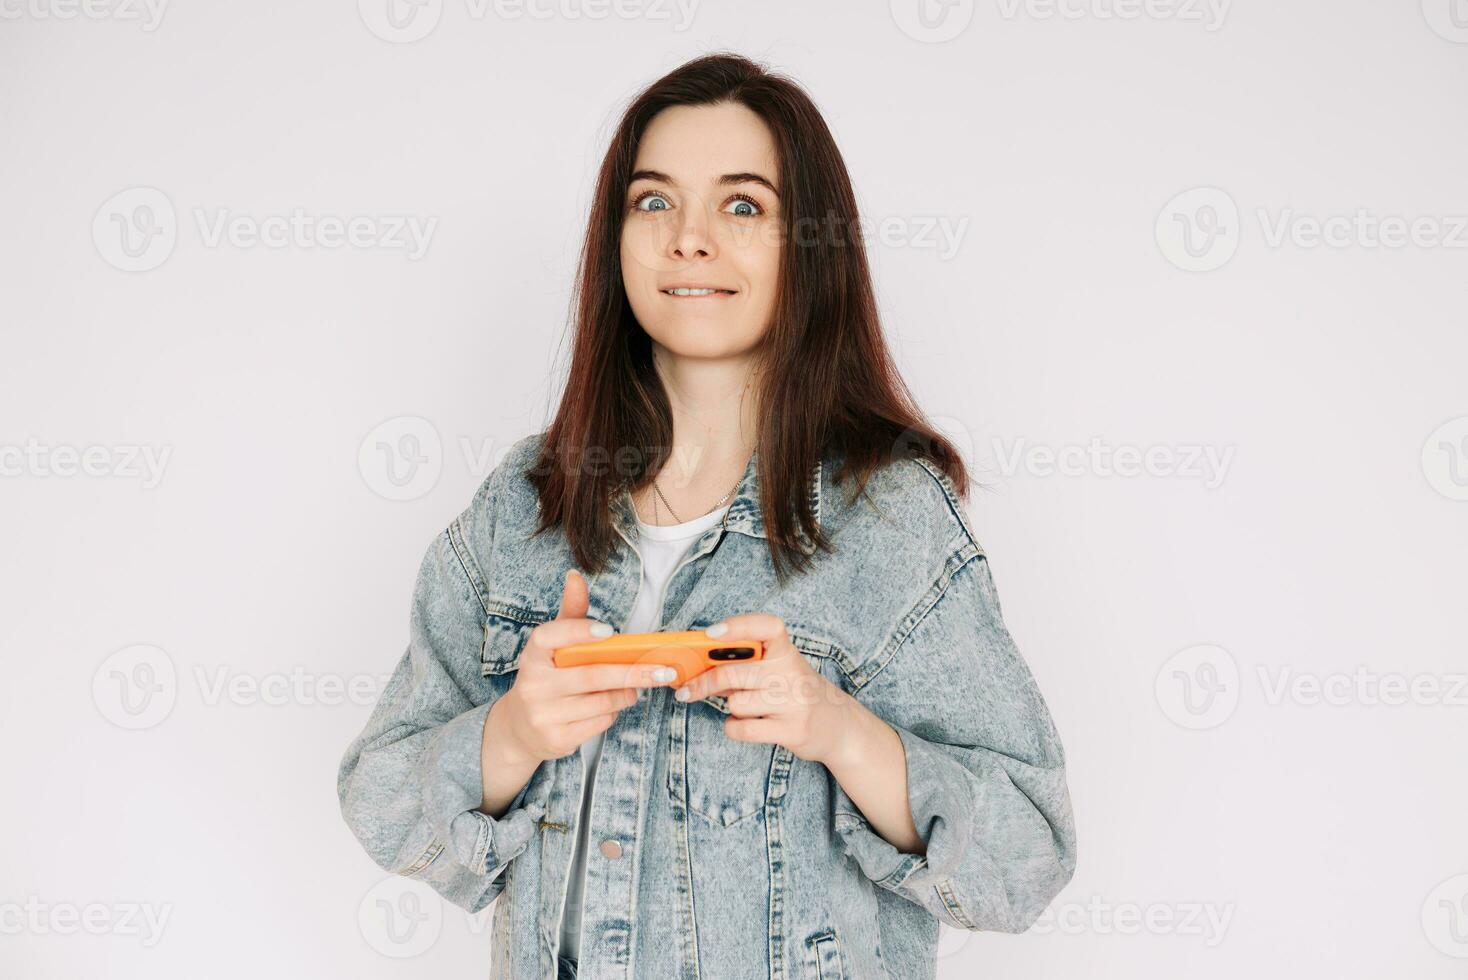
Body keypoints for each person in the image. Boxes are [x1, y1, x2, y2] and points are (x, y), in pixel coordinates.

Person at [337, 51, 1076, 980]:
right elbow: (378, 799)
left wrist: (833, 727)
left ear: (807, 244)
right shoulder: (526, 502)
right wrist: (515, 733)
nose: (689, 239)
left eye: (742, 205)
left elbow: (1029, 859)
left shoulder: (888, 517)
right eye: (654, 202)